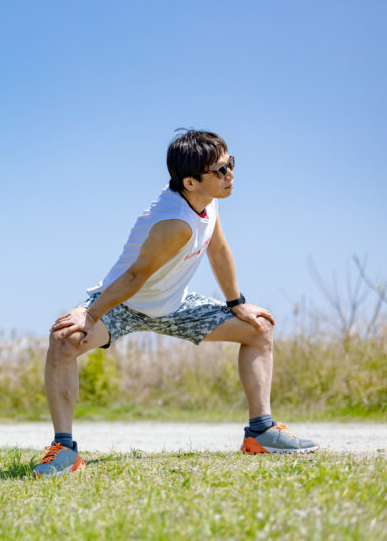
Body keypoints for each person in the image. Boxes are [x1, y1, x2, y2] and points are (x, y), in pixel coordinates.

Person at [34, 129, 318, 478]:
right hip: (124, 302)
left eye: (231, 164)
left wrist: (237, 303)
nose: (230, 175)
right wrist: (91, 313)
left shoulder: (206, 203)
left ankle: (261, 432)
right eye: (221, 171)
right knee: (63, 341)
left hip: (174, 305)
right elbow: (135, 277)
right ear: (190, 182)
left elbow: (218, 249)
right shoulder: (174, 223)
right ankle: (64, 449)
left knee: (258, 329)